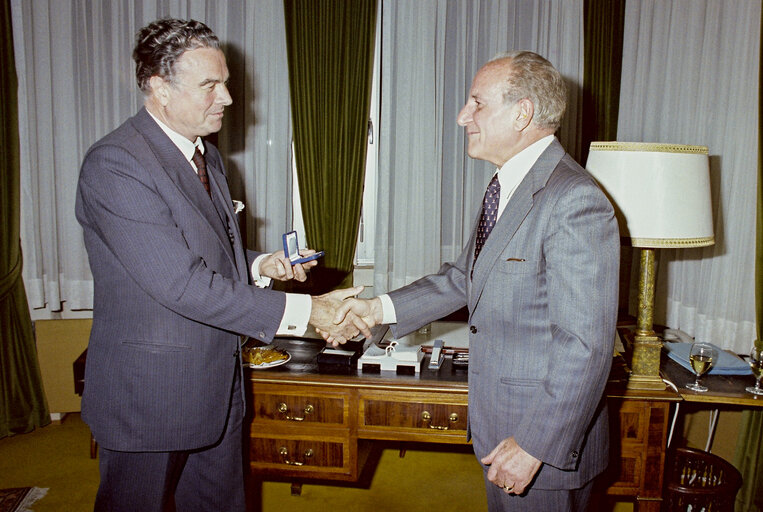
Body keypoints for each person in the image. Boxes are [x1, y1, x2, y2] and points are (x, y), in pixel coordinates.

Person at [75, 18, 367, 512]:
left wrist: (261, 266)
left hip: (218, 383)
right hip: (152, 394)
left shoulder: (205, 155)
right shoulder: (116, 164)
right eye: (210, 84)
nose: (228, 98)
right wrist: (306, 312)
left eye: (226, 81)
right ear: (158, 87)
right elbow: (180, 283)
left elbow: (204, 252)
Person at [330, 51, 619, 511]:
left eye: (476, 103)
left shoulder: (573, 200)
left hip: (540, 445)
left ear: (522, 112)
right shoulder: (506, 186)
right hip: (502, 426)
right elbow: (465, 278)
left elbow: (584, 345)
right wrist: (376, 309)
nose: (464, 116)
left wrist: (533, 445)